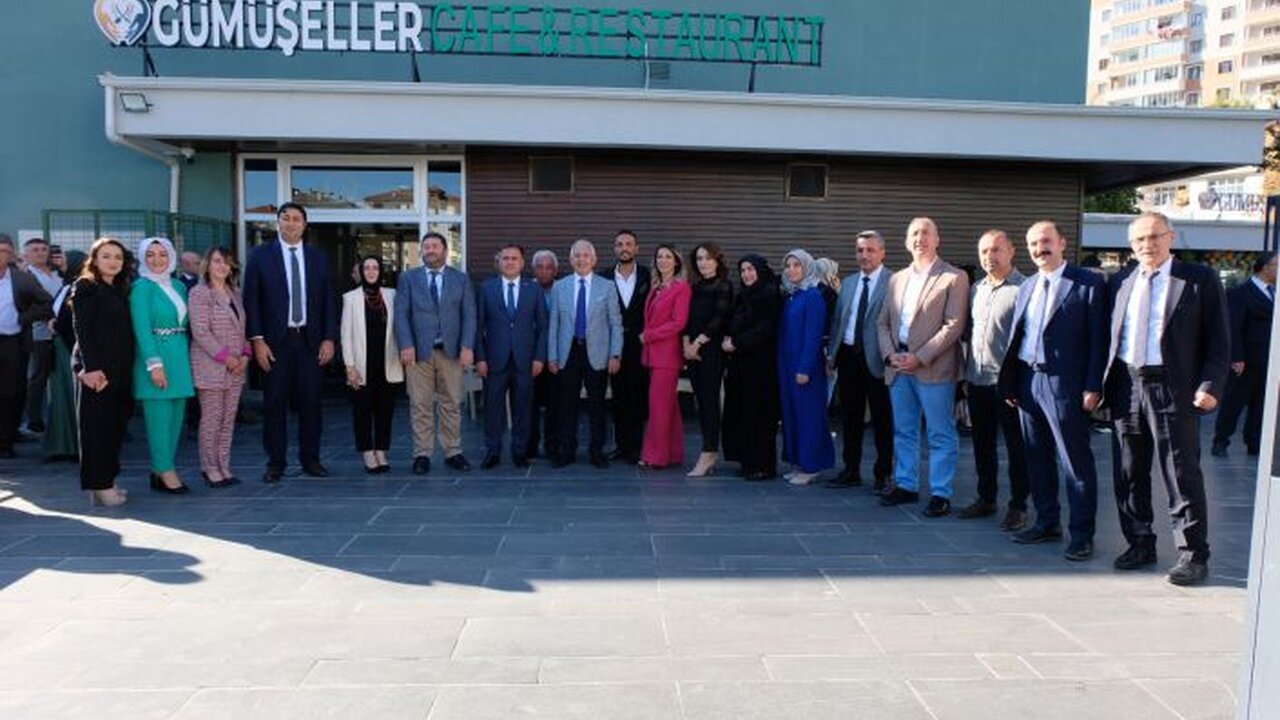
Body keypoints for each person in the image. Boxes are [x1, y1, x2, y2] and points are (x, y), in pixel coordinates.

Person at [1103, 212, 1229, 586]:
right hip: (1126, 384)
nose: (1148, 244)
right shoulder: (1122, 281)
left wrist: (1210, 385)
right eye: (1139, 239)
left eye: (1154, 236)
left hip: (1173, 386)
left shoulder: (1198, 279)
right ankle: (1139, 542)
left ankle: (1193, 554)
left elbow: (1220, 340)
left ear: (1170, 237)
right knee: (1128, 471)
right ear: (1131, 246)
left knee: (1180, 471)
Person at [998, 221, 1107, 562]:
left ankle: (1082, 535)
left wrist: (1093, 385)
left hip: (1066, 384)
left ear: (1062, 243)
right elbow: (1019, 336)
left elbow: (1099, 340)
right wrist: (1012, 382)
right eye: (1033, 243)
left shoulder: (1087, 283)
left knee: (1075, 462)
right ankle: (1047, 522)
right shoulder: (1028, 285)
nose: (1039, 248)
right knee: (1036, 457)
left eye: (1046, 241)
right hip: (1028, 380)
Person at [876, 217, 970, 517]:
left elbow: (953, 325)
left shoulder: (954, 277)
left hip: (934, 367)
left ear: (937, 239)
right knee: (904, 431)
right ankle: (906, 484)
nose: (920, 238)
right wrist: (890, 355)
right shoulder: (896, 279)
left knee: (940, 432)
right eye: (914, 234)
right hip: (898, 367)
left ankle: (941, 493)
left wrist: (920, 357)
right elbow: (883, 323)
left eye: (926, 233)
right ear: (906, 242)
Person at [243, 202, 339, 482]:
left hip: (310, 342)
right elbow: (251, 300)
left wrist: (329, 338)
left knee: (311, 403)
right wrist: (257, 340)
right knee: (274, 403)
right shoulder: (260, 256)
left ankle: (311, 460)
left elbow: (329, 300)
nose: (291, 223)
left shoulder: (319, 258)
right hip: (275, 344)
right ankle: (276, 462)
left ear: (305, 225)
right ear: (278, 223)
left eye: (297, 219)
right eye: (285, 218)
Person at [959, 230, 1030, 530]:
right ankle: (986, 498)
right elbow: (971, 333)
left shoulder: (1025, 288)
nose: (989, 256)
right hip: (977, 380)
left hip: (1009, 385)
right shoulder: (976, 289)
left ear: (1011, 251)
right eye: (984, 251)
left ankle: (1018, 505)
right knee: (982, 444)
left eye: (996, 249)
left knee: (1016, 447)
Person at [393, 231, 477, 475]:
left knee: (452, 402)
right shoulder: (408, 278)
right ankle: (422, 454)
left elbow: (469, 315)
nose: (429, 250)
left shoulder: (460, 279)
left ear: (445, 250)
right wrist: (406, 345)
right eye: (426, 246)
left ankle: (453, 452)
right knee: (420, 404)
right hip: (418, 352)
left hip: (451, 352)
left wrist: (467, 346)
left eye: (434, 246)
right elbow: (401, 314)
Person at [826, 231, 893, 493]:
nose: (864, 255)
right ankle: (851, 470)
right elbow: (838, 321)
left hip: (878, 359)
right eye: (860, 250)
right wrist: (832, 355)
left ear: (882, 253)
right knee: (850, 417)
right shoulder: (849, 282)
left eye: (870, 250)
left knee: (882, 419)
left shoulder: (894, 281)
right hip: (848, 357)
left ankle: (883, 473)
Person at [547, 239, 623, 469]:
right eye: (577, 256)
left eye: (586, 255)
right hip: (567, 353)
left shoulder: (607, 286)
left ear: (594, 259)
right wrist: (552, 356)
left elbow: (615, 323)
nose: (582, 259)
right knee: (566, 405)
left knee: (596, 405)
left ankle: (596, 451)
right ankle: (567, 450)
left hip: (597, 353)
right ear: (571, 260)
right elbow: (554, 324)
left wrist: (615, 354)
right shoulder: (560, 287)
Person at [72, 238, 134, 506]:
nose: (113, 261)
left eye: (118, 257)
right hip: (98, 373)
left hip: (120, 371)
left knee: (114, 429)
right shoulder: (86, 286)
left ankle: (107, 480)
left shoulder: (119, 289)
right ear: (94, 260)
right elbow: (82, 329)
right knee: (97, 430)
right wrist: (89, 368)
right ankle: (100, 485)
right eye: (106, 256)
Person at [131, 237, 196, 494]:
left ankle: (159, 470)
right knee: (159, 419)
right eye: (150, 255)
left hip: (179, 355)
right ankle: (166, 470)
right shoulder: (141, 287)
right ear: (142, 258)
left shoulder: (178, 285)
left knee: (176, 418)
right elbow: (141, 328)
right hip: (156, 357)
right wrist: (153, 364)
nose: (157, 260)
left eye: (162, 254)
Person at [475, 244, 548, 469]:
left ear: (522, 263)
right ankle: (493, 451)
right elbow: (478, 326)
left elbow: (543, 327)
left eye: (514, 258)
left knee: (523, 408)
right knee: (493, 408)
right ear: (499, 262)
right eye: (505, 258)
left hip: (525, 360)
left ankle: (520, 451)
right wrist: (480, 358)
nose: (509, 262)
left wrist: (539, 357)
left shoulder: (533, 289)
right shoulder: (486, 288)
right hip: (494, 359)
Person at [188, 246, 250, 488]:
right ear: (208, 264)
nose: (222, 266)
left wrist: (245, 355)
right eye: (217, 261)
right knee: (212, 419)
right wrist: (227, 358)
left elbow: (243, 329)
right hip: (211, 367)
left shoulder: (235, 293)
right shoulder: (199, 293)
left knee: (228, 420)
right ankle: (209, 468)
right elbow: (201, 332)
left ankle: (224, 465)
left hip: (236, 368)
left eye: (227, 262)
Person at [341, 256, 404, 474]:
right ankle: (367, 452)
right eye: (366, 268)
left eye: (375, 267)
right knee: (362, 412)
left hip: (388, 364)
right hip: (361, 366)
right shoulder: (350, 298)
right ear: (361, 272)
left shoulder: (392, 295)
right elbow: (346, 336)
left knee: (385, 411)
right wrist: (349, 367)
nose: (370, 271)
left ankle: (381, 451)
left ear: (381, 271)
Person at [778, 249, 835, 485]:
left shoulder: (813, 296)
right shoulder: (793, 295)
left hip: (805, 368)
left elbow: (813, 336)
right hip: (787, 365)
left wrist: (804, 368)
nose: (791, 270)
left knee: (809, 416)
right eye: (788, 265)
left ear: (808, 267)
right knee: (793, 415)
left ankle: (812, 466)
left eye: (797, 265)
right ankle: (799, 463)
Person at [722, 254, 782, 480]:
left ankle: (763, 466)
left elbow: (766, 328)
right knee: (744, 412)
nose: (746, 274)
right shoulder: (744, 295)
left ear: (760, 271)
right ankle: (748, 461)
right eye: (743, 270)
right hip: (742, 364)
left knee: (761, 414)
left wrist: (736, 342)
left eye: (751, 269)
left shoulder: (769, 295)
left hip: (762, 366)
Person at [1212, 252, 1276, 457]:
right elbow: (1233, 326)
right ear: (1265, 268)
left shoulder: (1275, 293)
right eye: (1277, 265)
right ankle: (1221, 440)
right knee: (1234, 402)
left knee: (1260, 404)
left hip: (1269, 360)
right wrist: (1236, 357)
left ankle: (1254, 442)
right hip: (1246, 361)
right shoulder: (1239, 293)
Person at [638, 244, 691, 469]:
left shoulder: (681, 288)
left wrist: (648, 336)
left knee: (658, 406)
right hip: (654, 355)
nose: (663, 260)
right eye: (659, 257)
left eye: (668, 257)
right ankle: (674, 453)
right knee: (669, 405)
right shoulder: (656, 287)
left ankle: (656, 456)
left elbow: (678, 323)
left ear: (676, 262)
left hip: (667, 357)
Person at [600, 230, 651, 464]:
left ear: (636, 248)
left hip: (642, 344)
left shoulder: (649, 276)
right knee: (619, 397)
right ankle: (621, 446)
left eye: (629, 244)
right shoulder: (604, 277)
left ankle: (637, 447)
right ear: (615, 249)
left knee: (639, 396)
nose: (624, 248)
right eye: (620, 244)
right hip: (615, 346)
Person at [0, 236, 54, 458]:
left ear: (12, 255)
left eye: (5, 251)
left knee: (12, 393)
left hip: (13, 342)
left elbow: (47, 303)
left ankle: (6, 441)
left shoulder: (22, 279)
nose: (1, 255)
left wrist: (24, 317)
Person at [683, 243, 734, 477]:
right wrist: (687, 345)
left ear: (717, 261)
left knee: (710, 402)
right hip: (692, 352)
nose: (703, 262)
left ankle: (709, 452)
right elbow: (687, 319)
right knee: (701, 403)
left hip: (711, 351)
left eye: (707, 258)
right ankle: (708, 452)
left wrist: (697, 343)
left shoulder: (724, 285)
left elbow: (719, 318)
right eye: (699, 258)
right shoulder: (694, 287)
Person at [43, 249, 87, 461]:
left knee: (69, 398)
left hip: (70, 349)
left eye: (65, 260)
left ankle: (73, 447)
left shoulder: (81, 286)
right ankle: (63, 446)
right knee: (61, 399)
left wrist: (57, 325)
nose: (61, 263)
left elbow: (75, 320)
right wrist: (53, 321)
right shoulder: (67, 285)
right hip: (61, 348)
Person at [23, 237, 62, 436]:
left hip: (63, 335)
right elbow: (29, 307)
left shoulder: (58, 274)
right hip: (40, 335)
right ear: (26, 254)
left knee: (61, 377)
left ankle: (61, 420)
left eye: (43, 249)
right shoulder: (25, 277)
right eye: (35, 249)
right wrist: (51, 315)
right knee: (38, 377)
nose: (40, 252)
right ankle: (34, 421)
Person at [529, 249, 560, 459]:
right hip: (530, 358)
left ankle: (552, 446)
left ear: (555, 270)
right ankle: (530, 446)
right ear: (533, 269)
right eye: (539, 267)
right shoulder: (525, 288)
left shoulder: (563, 289)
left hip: (556, 357)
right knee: (529, 405)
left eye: (549, 267)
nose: (544, 271)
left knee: (555, 405)